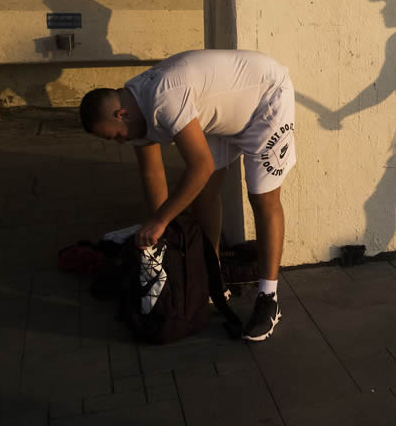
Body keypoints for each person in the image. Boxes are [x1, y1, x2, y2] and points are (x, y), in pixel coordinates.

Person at [78, 49, 296, 340]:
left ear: (121, 114)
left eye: (115, 135)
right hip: (223, 113)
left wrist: (160, 222)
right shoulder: (135, 112)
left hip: (265, 99)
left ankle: (269, 299)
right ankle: (213, 276)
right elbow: (152, 175)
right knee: (204, 195)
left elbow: (201, 166)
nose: (119, 141)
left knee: (262, 198)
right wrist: (161, 235)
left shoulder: (163, 97)